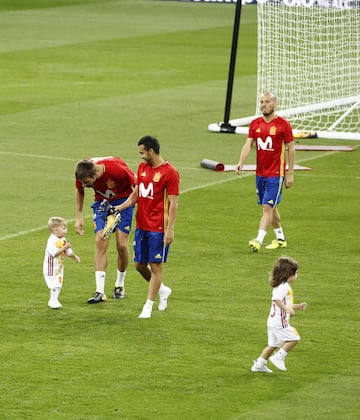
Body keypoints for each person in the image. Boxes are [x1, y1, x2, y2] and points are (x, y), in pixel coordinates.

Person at [114, 135, 180, 319]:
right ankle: (163, 290)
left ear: (151, 151)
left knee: (156, 266)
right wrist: (119, 207)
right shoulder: (142, 168)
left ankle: (148, 306)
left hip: (158, 228)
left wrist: (170, 229)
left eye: (142, 152)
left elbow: (173, 203)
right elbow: (136, 194)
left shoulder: (170, 172)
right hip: (142, 225)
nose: (141, 156)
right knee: (139, 265)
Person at [235, 92, 295, 252]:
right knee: (270, 206)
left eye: (267, 101)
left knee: (267, 207)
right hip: (260, 174)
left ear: (275, 104)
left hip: (276, 174)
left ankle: (258, 240)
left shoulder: (283, 125)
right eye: (261, 102)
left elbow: (291, 148)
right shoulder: (255, 124)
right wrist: (241, 162)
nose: (263, 104)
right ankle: (280, 238)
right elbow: (248, 144)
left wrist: (290, 172)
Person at [74, 156, 136, 304]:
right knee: (100, 240)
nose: (84, 185)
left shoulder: (117, 170)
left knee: (121, 245)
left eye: (87, 182)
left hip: (123, 201)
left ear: (95, 175)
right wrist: (79, 216)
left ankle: (119, 284)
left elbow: (137, 186)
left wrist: (129, 206)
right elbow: (79, 190)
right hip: (102, 204)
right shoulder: (83, 170)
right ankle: (100, 291)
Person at [251, 256, 307, 373]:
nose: (297, 276)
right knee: (294, 338)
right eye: (295, 273)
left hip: (273, 321)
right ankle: (279, 357)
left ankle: (259, 364)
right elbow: (276, 299)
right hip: (280, 322)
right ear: (288, 274)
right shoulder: (284, 286)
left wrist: (296, 306)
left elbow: (284, 302)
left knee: (273, 344)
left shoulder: (280, 285)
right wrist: (287, 309)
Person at [43, 217, 81, 309]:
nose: (66, 231)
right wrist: (64, 248)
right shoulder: (51, 240)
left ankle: (54, 299)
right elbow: (54, 253)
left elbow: (68, 252)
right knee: (55, 283)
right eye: (63, 229)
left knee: (59, 283)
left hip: (59, 267)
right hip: (51, 267)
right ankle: (52, 300)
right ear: (55, 230)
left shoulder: (63, 239)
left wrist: (74, 256)